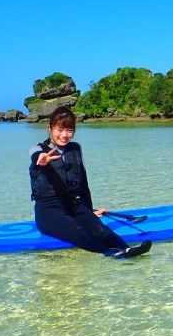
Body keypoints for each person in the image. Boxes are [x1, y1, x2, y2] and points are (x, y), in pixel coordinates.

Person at [29, 106, 152, 258]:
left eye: (69, 130)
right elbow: (35, 156)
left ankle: (126, 249)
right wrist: (41, 159)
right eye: (60, 130)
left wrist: (89, 210)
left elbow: (83, 184)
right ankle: (110, 253)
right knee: (76, 229)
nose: (64, 135)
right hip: (48, 211)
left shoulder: (75, 149)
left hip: (73, 206)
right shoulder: (38, 149)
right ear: (50, 128)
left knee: (99, 228)